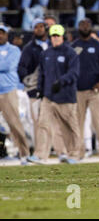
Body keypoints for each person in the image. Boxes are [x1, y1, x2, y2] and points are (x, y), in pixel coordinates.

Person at [28, 24, 80, 164]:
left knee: (68, 127)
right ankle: (40, 155)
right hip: (49, 97)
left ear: (62, 36)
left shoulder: (71, 53)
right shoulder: (45, 54)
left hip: (66, 97)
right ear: (50, 37)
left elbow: (74, 73)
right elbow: (42, 74)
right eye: (53, 36)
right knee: (43, 124)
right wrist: (39, 89)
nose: (55, 38)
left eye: (58, 35)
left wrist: (61, 82)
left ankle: (73, 154)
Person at [71, 19, 99, 160]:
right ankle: (78, 152)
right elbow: (69, 68)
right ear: (78, 28)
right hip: (78, 91)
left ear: (91, 27)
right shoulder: (73, 46)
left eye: (87, 25)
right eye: (82, 25)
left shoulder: (98, 46)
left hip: (96, 91)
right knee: (77, 123)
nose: (85, 27)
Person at [17, 19, 49, 159]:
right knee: (37, 121)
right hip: (35, 91)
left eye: (41, 26)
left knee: (54, 121)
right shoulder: (29, 48)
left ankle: (54, 149)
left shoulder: (53, 45)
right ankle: (39, 151)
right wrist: (28, 81)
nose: (39, 29)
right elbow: (22, 68)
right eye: (36, 27)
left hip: (52, 90)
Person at [0, 24, 30, 164]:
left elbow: (8, 66)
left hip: (8, 90)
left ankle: (24, 153)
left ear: (6, 35)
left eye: (2, 33)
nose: (0, 35)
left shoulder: (14, 50)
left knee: (14, 123)